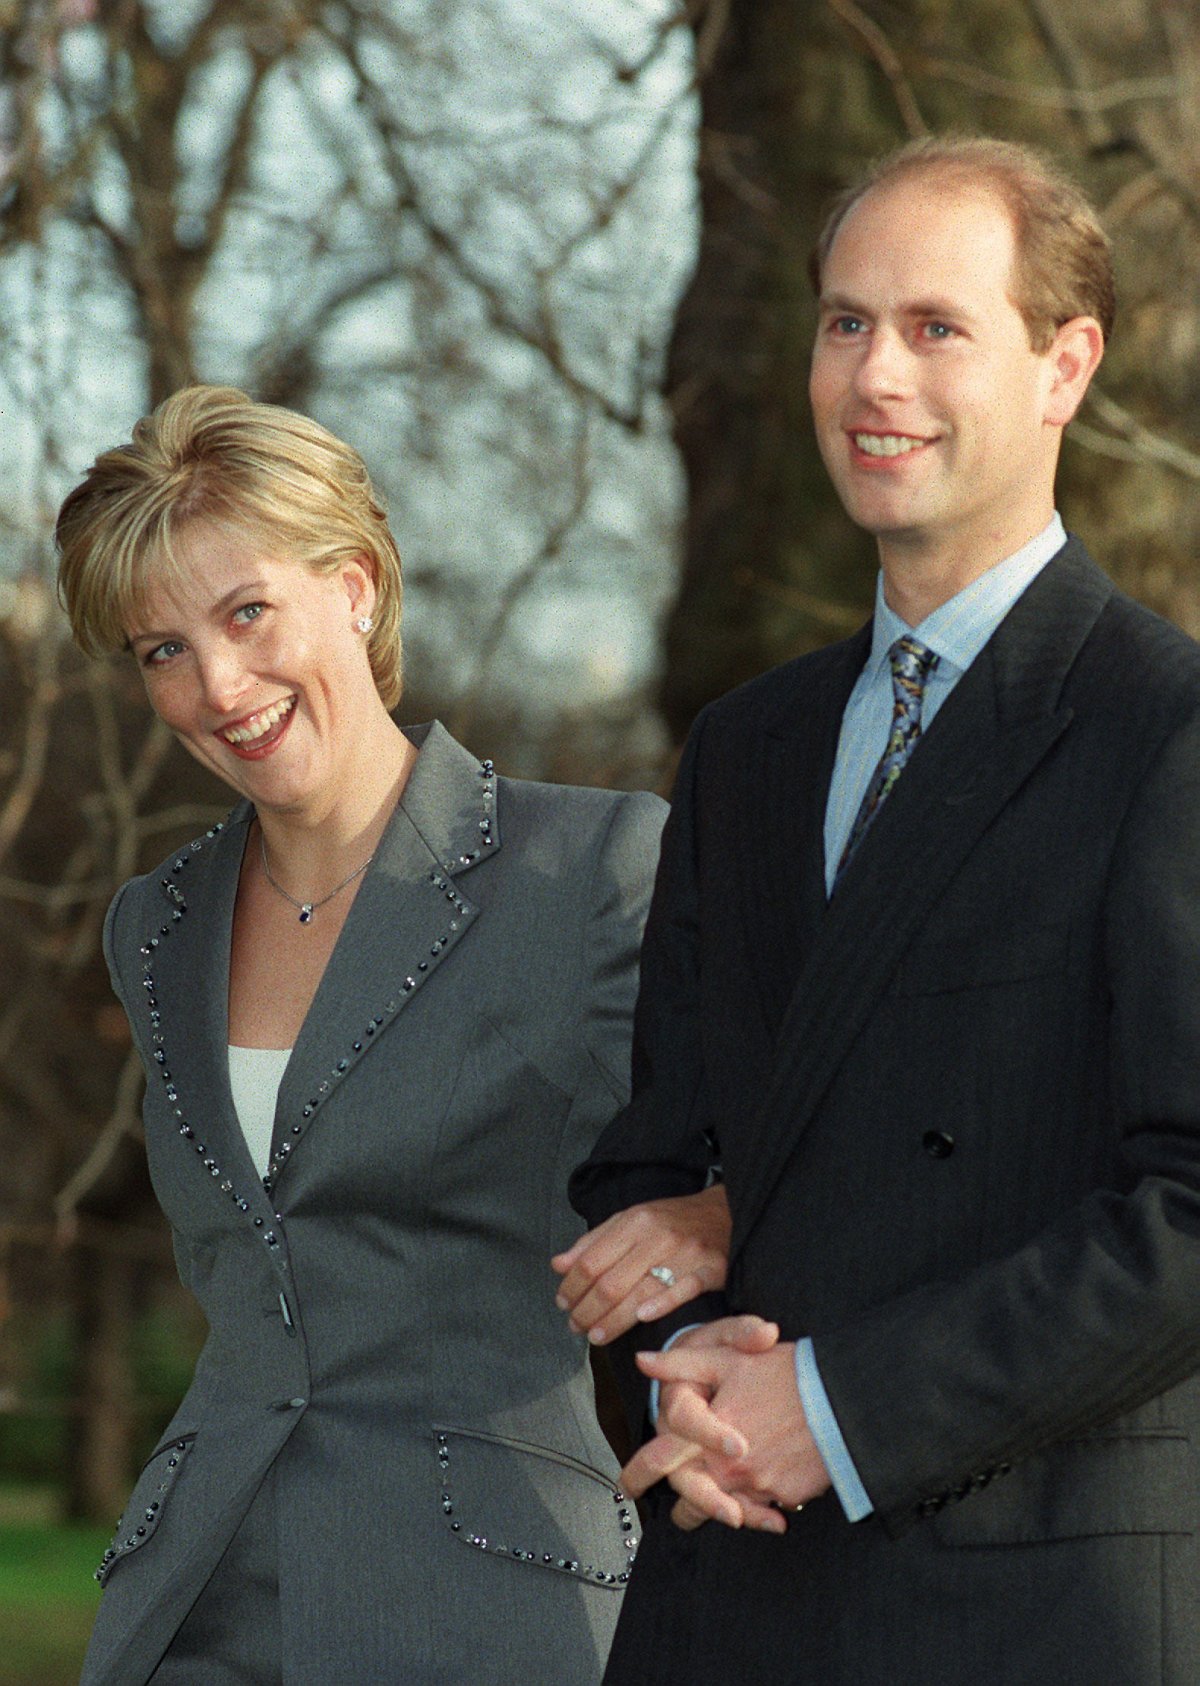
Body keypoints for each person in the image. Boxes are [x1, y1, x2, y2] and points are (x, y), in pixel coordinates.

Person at [567, 135, 1200, 1683]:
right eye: (845, 321)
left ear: (1066, 366)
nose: (874, 376)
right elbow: (653, 1168)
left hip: (1025, 1607)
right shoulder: (746, 749)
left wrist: (840, 1408)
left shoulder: (1162, 725)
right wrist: (673, 1391)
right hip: (729, 1595)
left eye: (935, 327)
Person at [55, 383, 729, 1685]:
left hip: (490, 1589)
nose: (218, 686)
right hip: (198, 1597)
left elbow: (763, 1148)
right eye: (162, 649)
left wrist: (715, 1211)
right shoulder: (155, 926)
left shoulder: (591, 865)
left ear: (355, 586)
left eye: (247, 612)